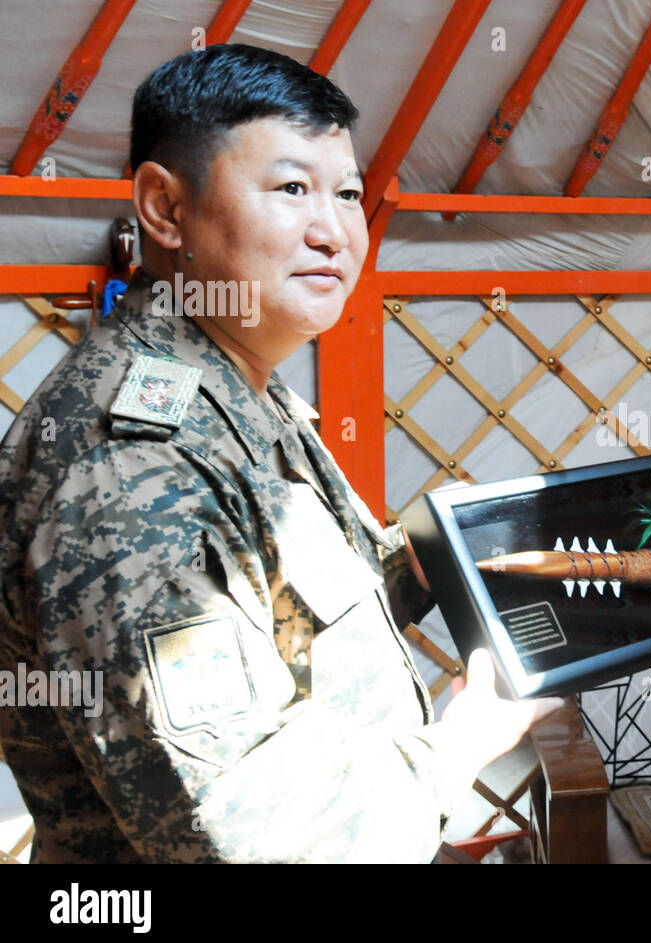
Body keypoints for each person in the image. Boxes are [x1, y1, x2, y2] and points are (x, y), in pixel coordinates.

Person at [0, 44, 557, 863]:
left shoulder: (241, 390)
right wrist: (460, 746)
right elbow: (244, 830)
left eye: (348, 194)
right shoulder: (128, 462)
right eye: (292, 189)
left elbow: (295, 618)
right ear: (164, 207)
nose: (334, 231)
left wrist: (445, 553)